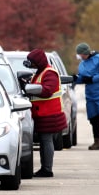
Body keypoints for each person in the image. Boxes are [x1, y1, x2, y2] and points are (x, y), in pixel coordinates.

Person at [23, 49, 67, 177]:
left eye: (33, 62)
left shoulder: (49, 73)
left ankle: (47, 169)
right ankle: (45, 168)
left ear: (39, 61)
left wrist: (29, 89)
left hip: (50, 114)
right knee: (44, 141)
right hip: (42, 114)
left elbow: (47, 90)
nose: (31, 65)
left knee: (46, 140)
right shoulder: (40, 73)